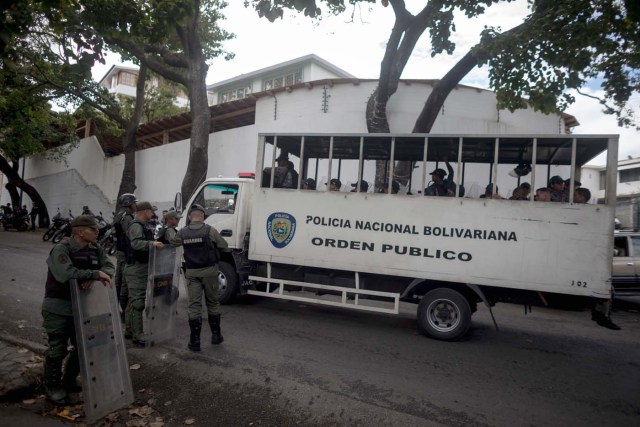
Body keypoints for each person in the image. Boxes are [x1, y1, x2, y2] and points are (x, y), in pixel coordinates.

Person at [41, 215, 114, 406]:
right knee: (57, 350)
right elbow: (66, 274)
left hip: (83, 307)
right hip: (59, 307)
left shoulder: (95, 248)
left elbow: (108, 266)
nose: (98, 232)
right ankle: (52, 387)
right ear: (80, 231)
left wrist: (98, 276)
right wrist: (94, 273)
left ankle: (68, 381)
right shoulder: (61, 249)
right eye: (94, 229)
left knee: (83, 348)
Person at [170, 204, 230, 351]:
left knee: (194, 306)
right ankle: (216, 336)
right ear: (202, 216)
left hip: (192, 273)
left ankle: (195, 342)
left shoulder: (183, 232)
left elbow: (172, 242)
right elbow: (224, 245)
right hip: (210, 272)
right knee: (213, 303)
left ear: (190, 217)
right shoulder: (210, 230)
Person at [123, 201, 164, 347]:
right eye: (151, 211)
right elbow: (136, 244)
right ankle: (138, 334)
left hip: (138, 266)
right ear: (145, 211)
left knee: (132, 300)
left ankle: (129, 329)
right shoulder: (136, 225)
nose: (152, 214)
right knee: (138, 301)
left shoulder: (141, 225)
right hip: (136, 268)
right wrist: (152, 244)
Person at [113, 193, 137, 321]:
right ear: (129, 204)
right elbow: (129, 237)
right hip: (125, 252)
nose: (135, 205)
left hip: (119, 251)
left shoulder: (118, 215)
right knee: (124, 283)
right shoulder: (127, 217)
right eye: (134, 202)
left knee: (118, 280)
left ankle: (115, 308)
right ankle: (122, 313)